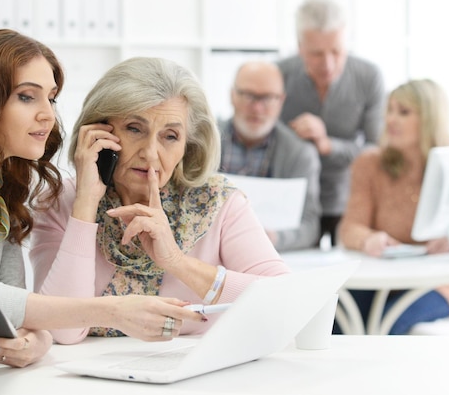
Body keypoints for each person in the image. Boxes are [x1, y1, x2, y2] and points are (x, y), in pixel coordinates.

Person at [0, 30, 203, 379]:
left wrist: (33, 341)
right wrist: (112, 311)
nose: (48, 116)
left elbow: (14, 306)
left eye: (50, 99)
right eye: (27, 97)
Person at [29, 56, 292, 344]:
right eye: (134, 128)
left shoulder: (219, 202)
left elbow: (284, 300)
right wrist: (85, 206)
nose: (151, 153)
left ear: (187, 147)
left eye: (170, 136)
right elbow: (61, 331)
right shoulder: (61, 202)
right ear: (100, 130)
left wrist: (177, 261)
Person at [337, 78, 449, 334]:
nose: (391, 119)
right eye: (389, 110)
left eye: (403, 112)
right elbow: (350, 228)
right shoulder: (369, 164)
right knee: (335, 323)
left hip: (437, 285)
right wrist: (369, 239)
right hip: (381, 280)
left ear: (429, 119)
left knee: (394, 326)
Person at [277, 0, 385, 247]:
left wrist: (328, 145)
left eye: (336, 51)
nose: (328, 64)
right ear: (299, 45)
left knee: (350, 278)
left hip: (348, 199)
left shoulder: (369, 77)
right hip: (292, 202)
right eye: (316, 53)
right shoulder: (278, 75)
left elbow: (375, 151)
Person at [218, 60, 321, 250]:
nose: (257, 108)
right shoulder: (203, 142)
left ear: (281, 101)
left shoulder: (300, 153)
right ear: (232, 95)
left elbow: (310, 226)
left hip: (271, 257)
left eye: (267, 98)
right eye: (249, 96)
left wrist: (274, 238)